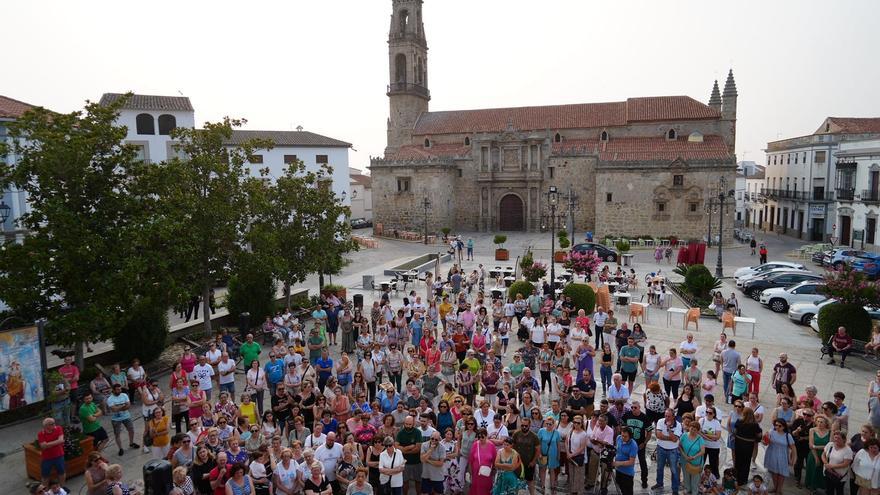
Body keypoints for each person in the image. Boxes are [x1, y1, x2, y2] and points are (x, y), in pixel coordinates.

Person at [653, 408, 682, 493]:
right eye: (665, 416)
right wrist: (670, 438)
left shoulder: (678, 425)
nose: (666, 418)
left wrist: (669, 429)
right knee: (659, 468)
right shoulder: (660, 421)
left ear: (673, 417)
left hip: (672, 450)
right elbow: (658, 435)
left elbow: (675, 439)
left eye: (669, 416)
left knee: (674, 470)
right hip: (661, 448)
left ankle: (675, 490)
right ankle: (659, 483)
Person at [106, 383, 138, 457]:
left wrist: (118, 407)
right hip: (116, 419)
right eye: (117, 389)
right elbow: (113, 409)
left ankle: (131, 443)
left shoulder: (124, 395)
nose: (119, 390)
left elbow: (128, 406)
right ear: (113, 390)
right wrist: (123, 406)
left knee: (131, 430)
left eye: (120, 389)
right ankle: (120, 448)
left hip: (126, 416)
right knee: (117, 434)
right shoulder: (110, 399)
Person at [732, 407, 762, 487]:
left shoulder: (739, 421)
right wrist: (756, 439)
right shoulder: (755, 424)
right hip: (748, 445)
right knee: (746, 462)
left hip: (738, 443)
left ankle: (736, 478)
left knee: (738, 461)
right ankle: (743, 480)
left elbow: (734, 431)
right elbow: (759, 435)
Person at [823, 430, 854, 495]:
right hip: (828, 473)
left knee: (839, 491)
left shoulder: (848, 450)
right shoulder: (830, 445)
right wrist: (826, 463)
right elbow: (823, 455)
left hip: (839, 476)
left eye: (838, 438)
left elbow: (846, 464)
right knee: (828, 490)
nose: (836, 439)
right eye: (835, 437)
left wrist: (831, 466)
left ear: (844, 439)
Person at [37, 418, 66, 487]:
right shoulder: (41, 434)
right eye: (52, 424)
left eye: (54, 423)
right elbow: (43, 446)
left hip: (59, 455)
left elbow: (61, 440)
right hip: (47, 458)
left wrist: (48, 444)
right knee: (45, 475)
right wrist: (56, 442)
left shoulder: (58, 428)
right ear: (46, 426)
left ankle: (62, 487)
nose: (54, 425)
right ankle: (45, 491)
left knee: (61, 472)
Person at [681, 420, 706, 495]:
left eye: (695, 430)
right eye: (691, 428)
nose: (692, 431)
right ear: (689, 428)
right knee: (686, 476)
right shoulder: (684, 435)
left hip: (696, 462)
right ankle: (688, 489)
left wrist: (694, 457)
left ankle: (694, 492)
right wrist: (685, 456)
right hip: (685, 460)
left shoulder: (700, 439)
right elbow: (679, 446)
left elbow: (703, 451)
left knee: (695, 479)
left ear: (698, 431)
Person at [469, 428, 497, 495]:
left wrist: (494, 472)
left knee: (486, 490)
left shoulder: (491, 446)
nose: (480, 439)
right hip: (476, 474)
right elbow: (470, 460)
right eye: (479, 437)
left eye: (482, 437)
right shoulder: (475, 445)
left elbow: (495, 460)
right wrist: (470, 474)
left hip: (487, 474)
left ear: (486, 436)